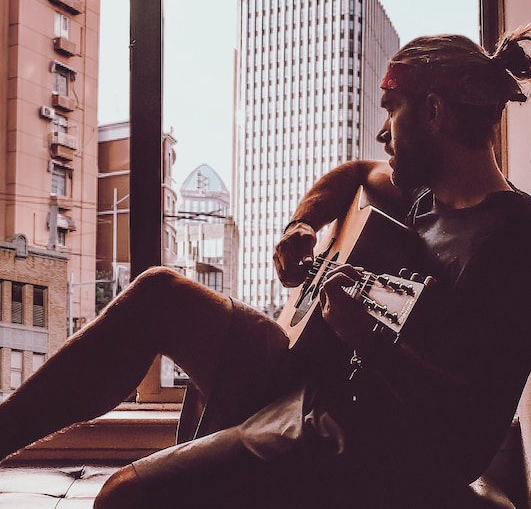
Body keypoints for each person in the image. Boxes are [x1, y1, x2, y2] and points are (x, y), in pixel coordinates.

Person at [1, 27, 531, 508]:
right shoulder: (423, 196)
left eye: (392, 109)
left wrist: (368, 341)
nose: (383, 135)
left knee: (120, 497)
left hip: (358, 442)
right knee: (159, 293)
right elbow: (353, 174)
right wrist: (300, 227)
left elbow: (470, 430)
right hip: (318, 375)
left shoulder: (511, 240)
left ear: (435, 112)